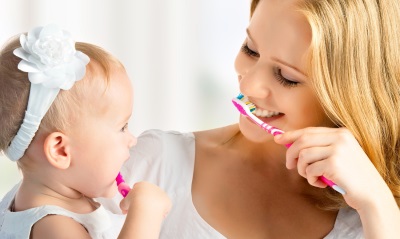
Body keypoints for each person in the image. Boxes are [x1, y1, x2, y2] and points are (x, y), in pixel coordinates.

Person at [98, 0, 400, 238]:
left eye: (287, 77)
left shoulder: (375, 208)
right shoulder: (153, 165)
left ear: (351, 96)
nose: (247, 86)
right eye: (251, 50)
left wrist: (379, 205)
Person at [0, 24, 171, 239]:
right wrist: (146, 212)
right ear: (61, 150)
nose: (132, 140)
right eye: (122, 127)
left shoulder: (27, 197)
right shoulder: (55, 228)